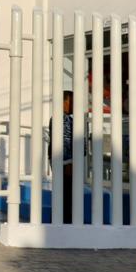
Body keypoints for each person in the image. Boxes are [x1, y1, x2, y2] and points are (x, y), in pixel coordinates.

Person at [47, 91, 75, 224]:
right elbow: (65, 141)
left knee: (63, 193)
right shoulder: (63, 119)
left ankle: (59, 221)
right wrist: (68, 162)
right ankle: (63, 222)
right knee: (66, 194)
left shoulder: (63, 118)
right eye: (72, 101)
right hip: (65, 162)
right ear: (64, 102)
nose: (74, 105)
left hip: (63, 161)